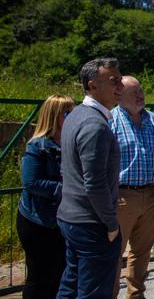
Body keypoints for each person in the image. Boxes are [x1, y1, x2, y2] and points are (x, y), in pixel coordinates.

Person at [56, 58, 125, 299]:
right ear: (92, 85)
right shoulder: (94, 124)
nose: (121, 86)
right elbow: (94, 183)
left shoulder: (75, 115)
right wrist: (111, 224)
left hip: (72, 218)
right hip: (91, 224)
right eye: (113, 81)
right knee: (93, 292)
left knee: (70, 286)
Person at [110, 76, 154, 299]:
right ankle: (111, 294)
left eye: (141, 90)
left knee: (142, 252)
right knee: (114, 253)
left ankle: (136, 295)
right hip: (122, 197)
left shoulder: (153, 119)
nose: (140, 95)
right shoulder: (111, 121)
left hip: (152, 194)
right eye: (134, 92)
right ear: (119, 96)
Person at [16, 95, 74, 299]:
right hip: (38, 219)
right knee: (40, 277)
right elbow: (31, 182)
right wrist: (66, 188)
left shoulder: (71, 143)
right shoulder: (38, 145)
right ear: (53, 116)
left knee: (62, 274)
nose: (72, 117)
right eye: (67, 113)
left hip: (63, 218)